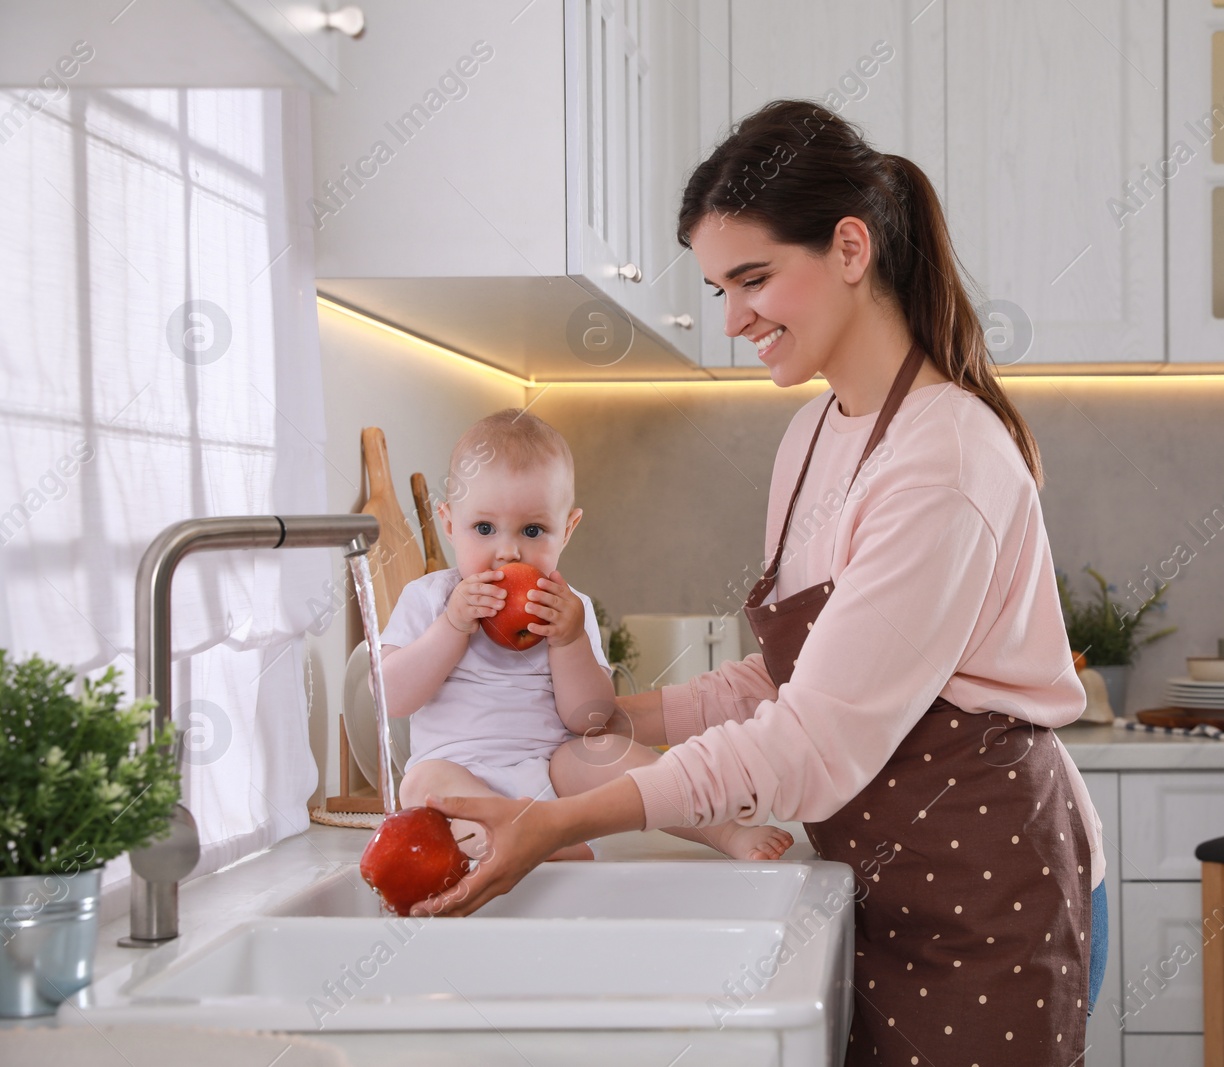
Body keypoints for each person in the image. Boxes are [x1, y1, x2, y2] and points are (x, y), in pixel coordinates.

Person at [412, 100, 1108, 1064]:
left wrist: (562, 816)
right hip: (872, 880)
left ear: (851, 248)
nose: (732, 319)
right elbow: (783, 681)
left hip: (986, 895)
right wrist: (607, 716)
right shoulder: (813, 435)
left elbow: (812, 740)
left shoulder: (942, 464)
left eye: (754, 279)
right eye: (715, 287)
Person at [379, 408, 794, 862]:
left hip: (557, 781)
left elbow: (589, 719)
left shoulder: (567, 608)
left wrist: (569, 641)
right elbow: (392, 699)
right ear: (448, 522)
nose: (508, 551)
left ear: (568, 528)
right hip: (458, 773)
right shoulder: (428, 598)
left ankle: (723, 829)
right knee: (420, 782)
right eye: (484, 528)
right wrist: (452, 627)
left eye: (533, 530)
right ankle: (519, 837)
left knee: (600, 751)